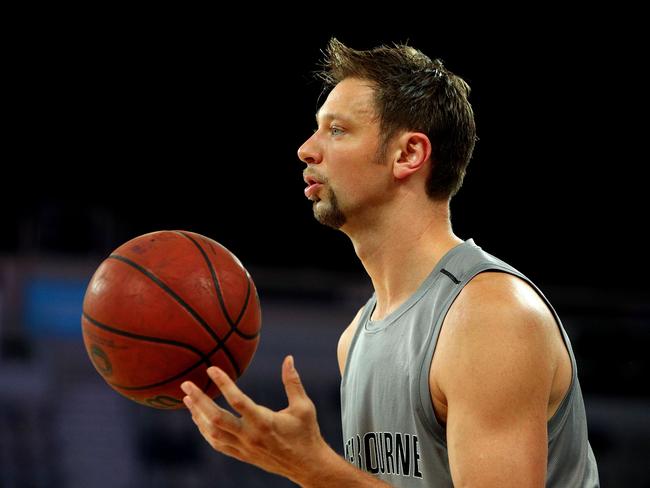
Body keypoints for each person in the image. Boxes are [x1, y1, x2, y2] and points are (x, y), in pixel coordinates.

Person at [180, 38, 600, 487]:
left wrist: (314, 470)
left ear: (408, 155)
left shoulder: (490, 316)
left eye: (336, 130)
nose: (306, 149)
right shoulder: (354, 338)